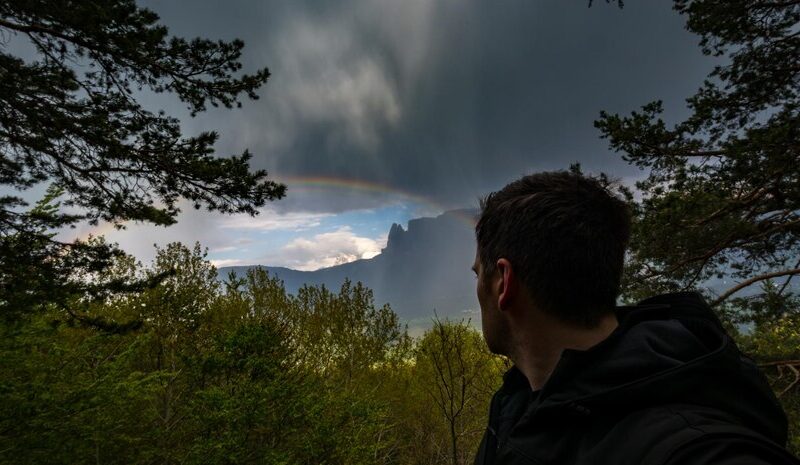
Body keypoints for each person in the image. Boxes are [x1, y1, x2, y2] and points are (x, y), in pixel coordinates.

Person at [472, 171, 799, 465]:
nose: (477, 287)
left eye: (477, 274)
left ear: (503, 282)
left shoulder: (696, 450)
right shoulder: (515, 408)